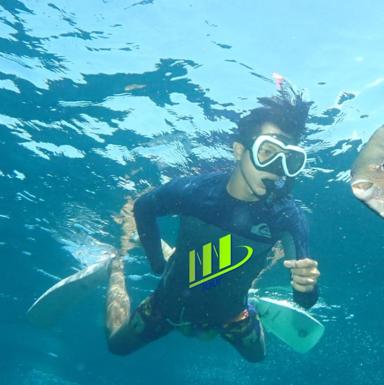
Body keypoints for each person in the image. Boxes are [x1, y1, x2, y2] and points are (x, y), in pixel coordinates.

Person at [105, 84, 320, 362]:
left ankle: (249, 302)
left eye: (288, 159)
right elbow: (143, 206)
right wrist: (158, 265)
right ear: (239, 151)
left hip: (232, 315)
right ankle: (116, 265)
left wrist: (308, 288)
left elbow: (305, 300)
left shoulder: (287, 216)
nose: (276, 169)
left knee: (258, 357)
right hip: (167, 307)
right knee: (116, 346)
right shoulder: (195, 192)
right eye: (268, 152)